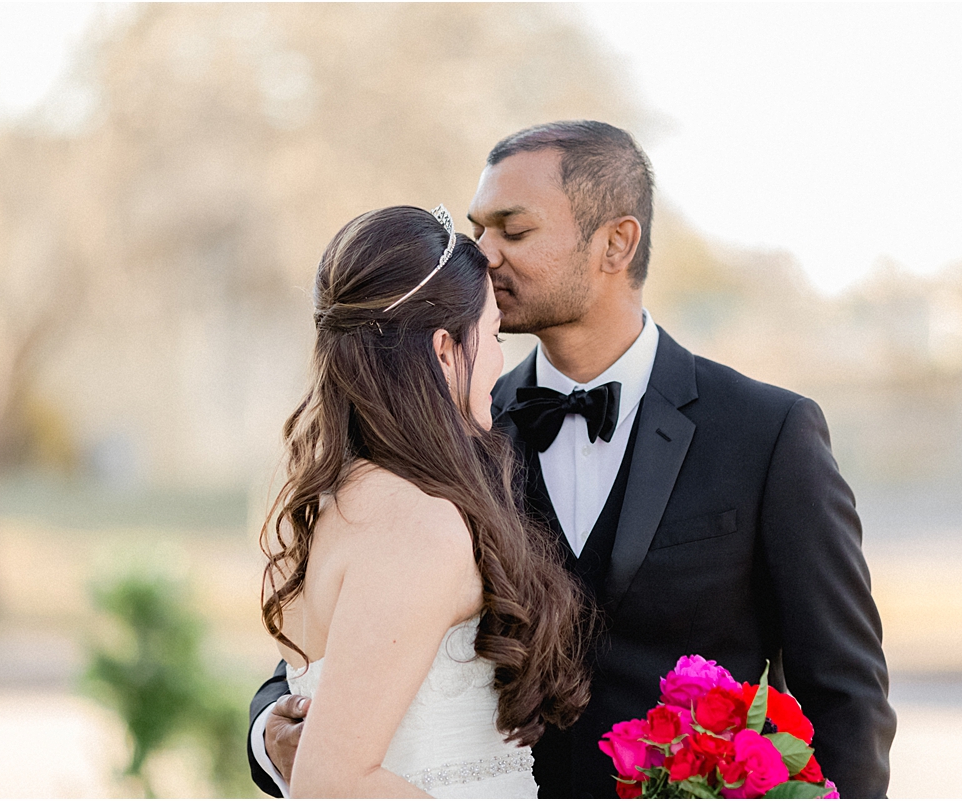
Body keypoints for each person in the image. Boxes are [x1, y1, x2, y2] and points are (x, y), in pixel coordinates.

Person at [250, 122, 898, 798]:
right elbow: (338, 638)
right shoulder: (446, 432)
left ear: (615, 242)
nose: (484, 254)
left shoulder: (768, 432)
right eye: (479, 228)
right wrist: (273, 727)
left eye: (514, 230)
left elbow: (846, 695)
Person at [255, 204, 591, 798]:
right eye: (490, 335)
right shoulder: (417, 523)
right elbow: (332, 779)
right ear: (443, 349)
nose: (498, 359)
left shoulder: (344, 497)